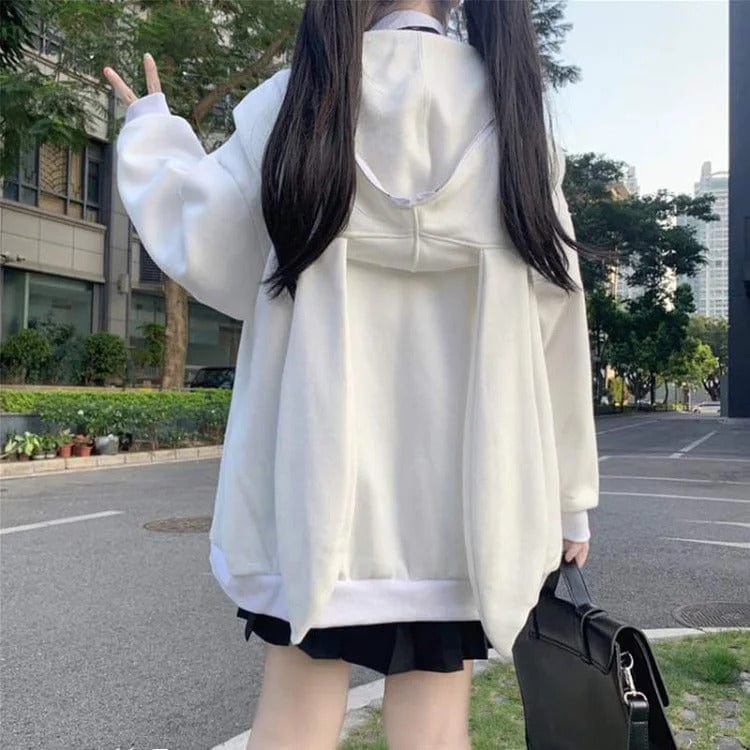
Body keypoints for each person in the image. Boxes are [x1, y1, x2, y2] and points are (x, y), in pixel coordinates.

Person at [106, 1, 608, 748]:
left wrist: (152, 129)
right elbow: (559, 321)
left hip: (313, 501)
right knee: (435, 730)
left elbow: (204, 235)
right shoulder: (513, 116)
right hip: (466, 507)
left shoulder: (302, 97)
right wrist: (570, 500)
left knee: (292, 719)